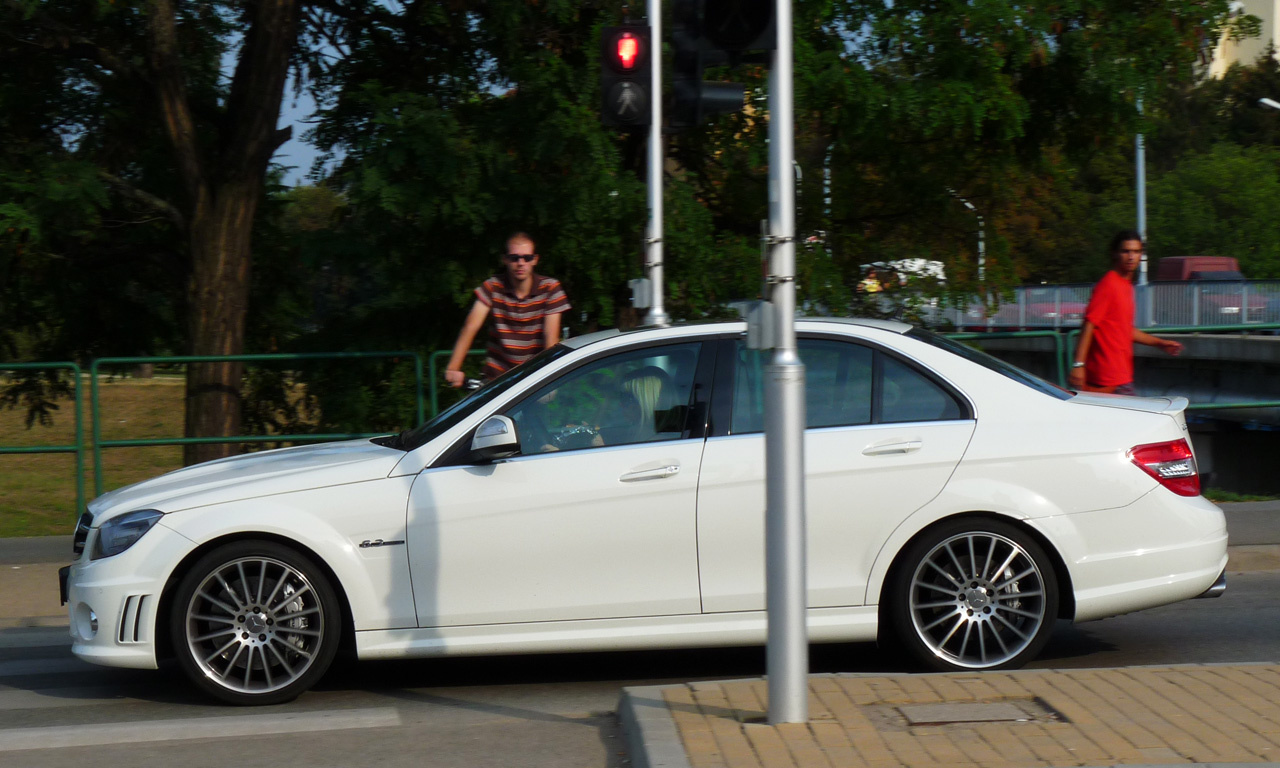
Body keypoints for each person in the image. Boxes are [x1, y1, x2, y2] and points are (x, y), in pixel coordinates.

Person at [444, 232, 571, 387]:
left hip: (533, 379)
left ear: (535, 260)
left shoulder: (550, 289)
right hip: (497, 380)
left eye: (527, 257)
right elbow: (471, 326)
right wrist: (453, 368)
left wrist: (548, 381)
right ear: (505, 259)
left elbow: (550, 339)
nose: (521, 263)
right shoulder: (493, 287)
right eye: (514, 258)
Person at [1069, 230, 1182, 395]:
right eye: (1126, 251)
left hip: (1121, 377)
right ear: (1115, 254)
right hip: (1104, 379)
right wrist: (1078, 365)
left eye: (1136, 252)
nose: (1131, 257)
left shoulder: (1126, 286)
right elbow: (1088, 324)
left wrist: (1160, 343)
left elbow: (1125, 329)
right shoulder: (1108, 285)